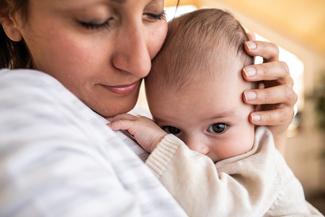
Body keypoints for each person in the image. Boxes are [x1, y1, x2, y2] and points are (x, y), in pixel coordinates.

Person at [0, 0, 297, 216]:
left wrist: (268, 133)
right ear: (11, 16)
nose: (142, 63)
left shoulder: (144, 120)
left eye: (153, 14)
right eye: (95, 20)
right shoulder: (20, 103)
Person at [109, 9, 323, 216]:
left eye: (218, 127)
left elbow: (219, 211)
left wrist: (161, 142)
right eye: (171, 129)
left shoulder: (259, 163)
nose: (194, 149)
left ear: (257, 105)